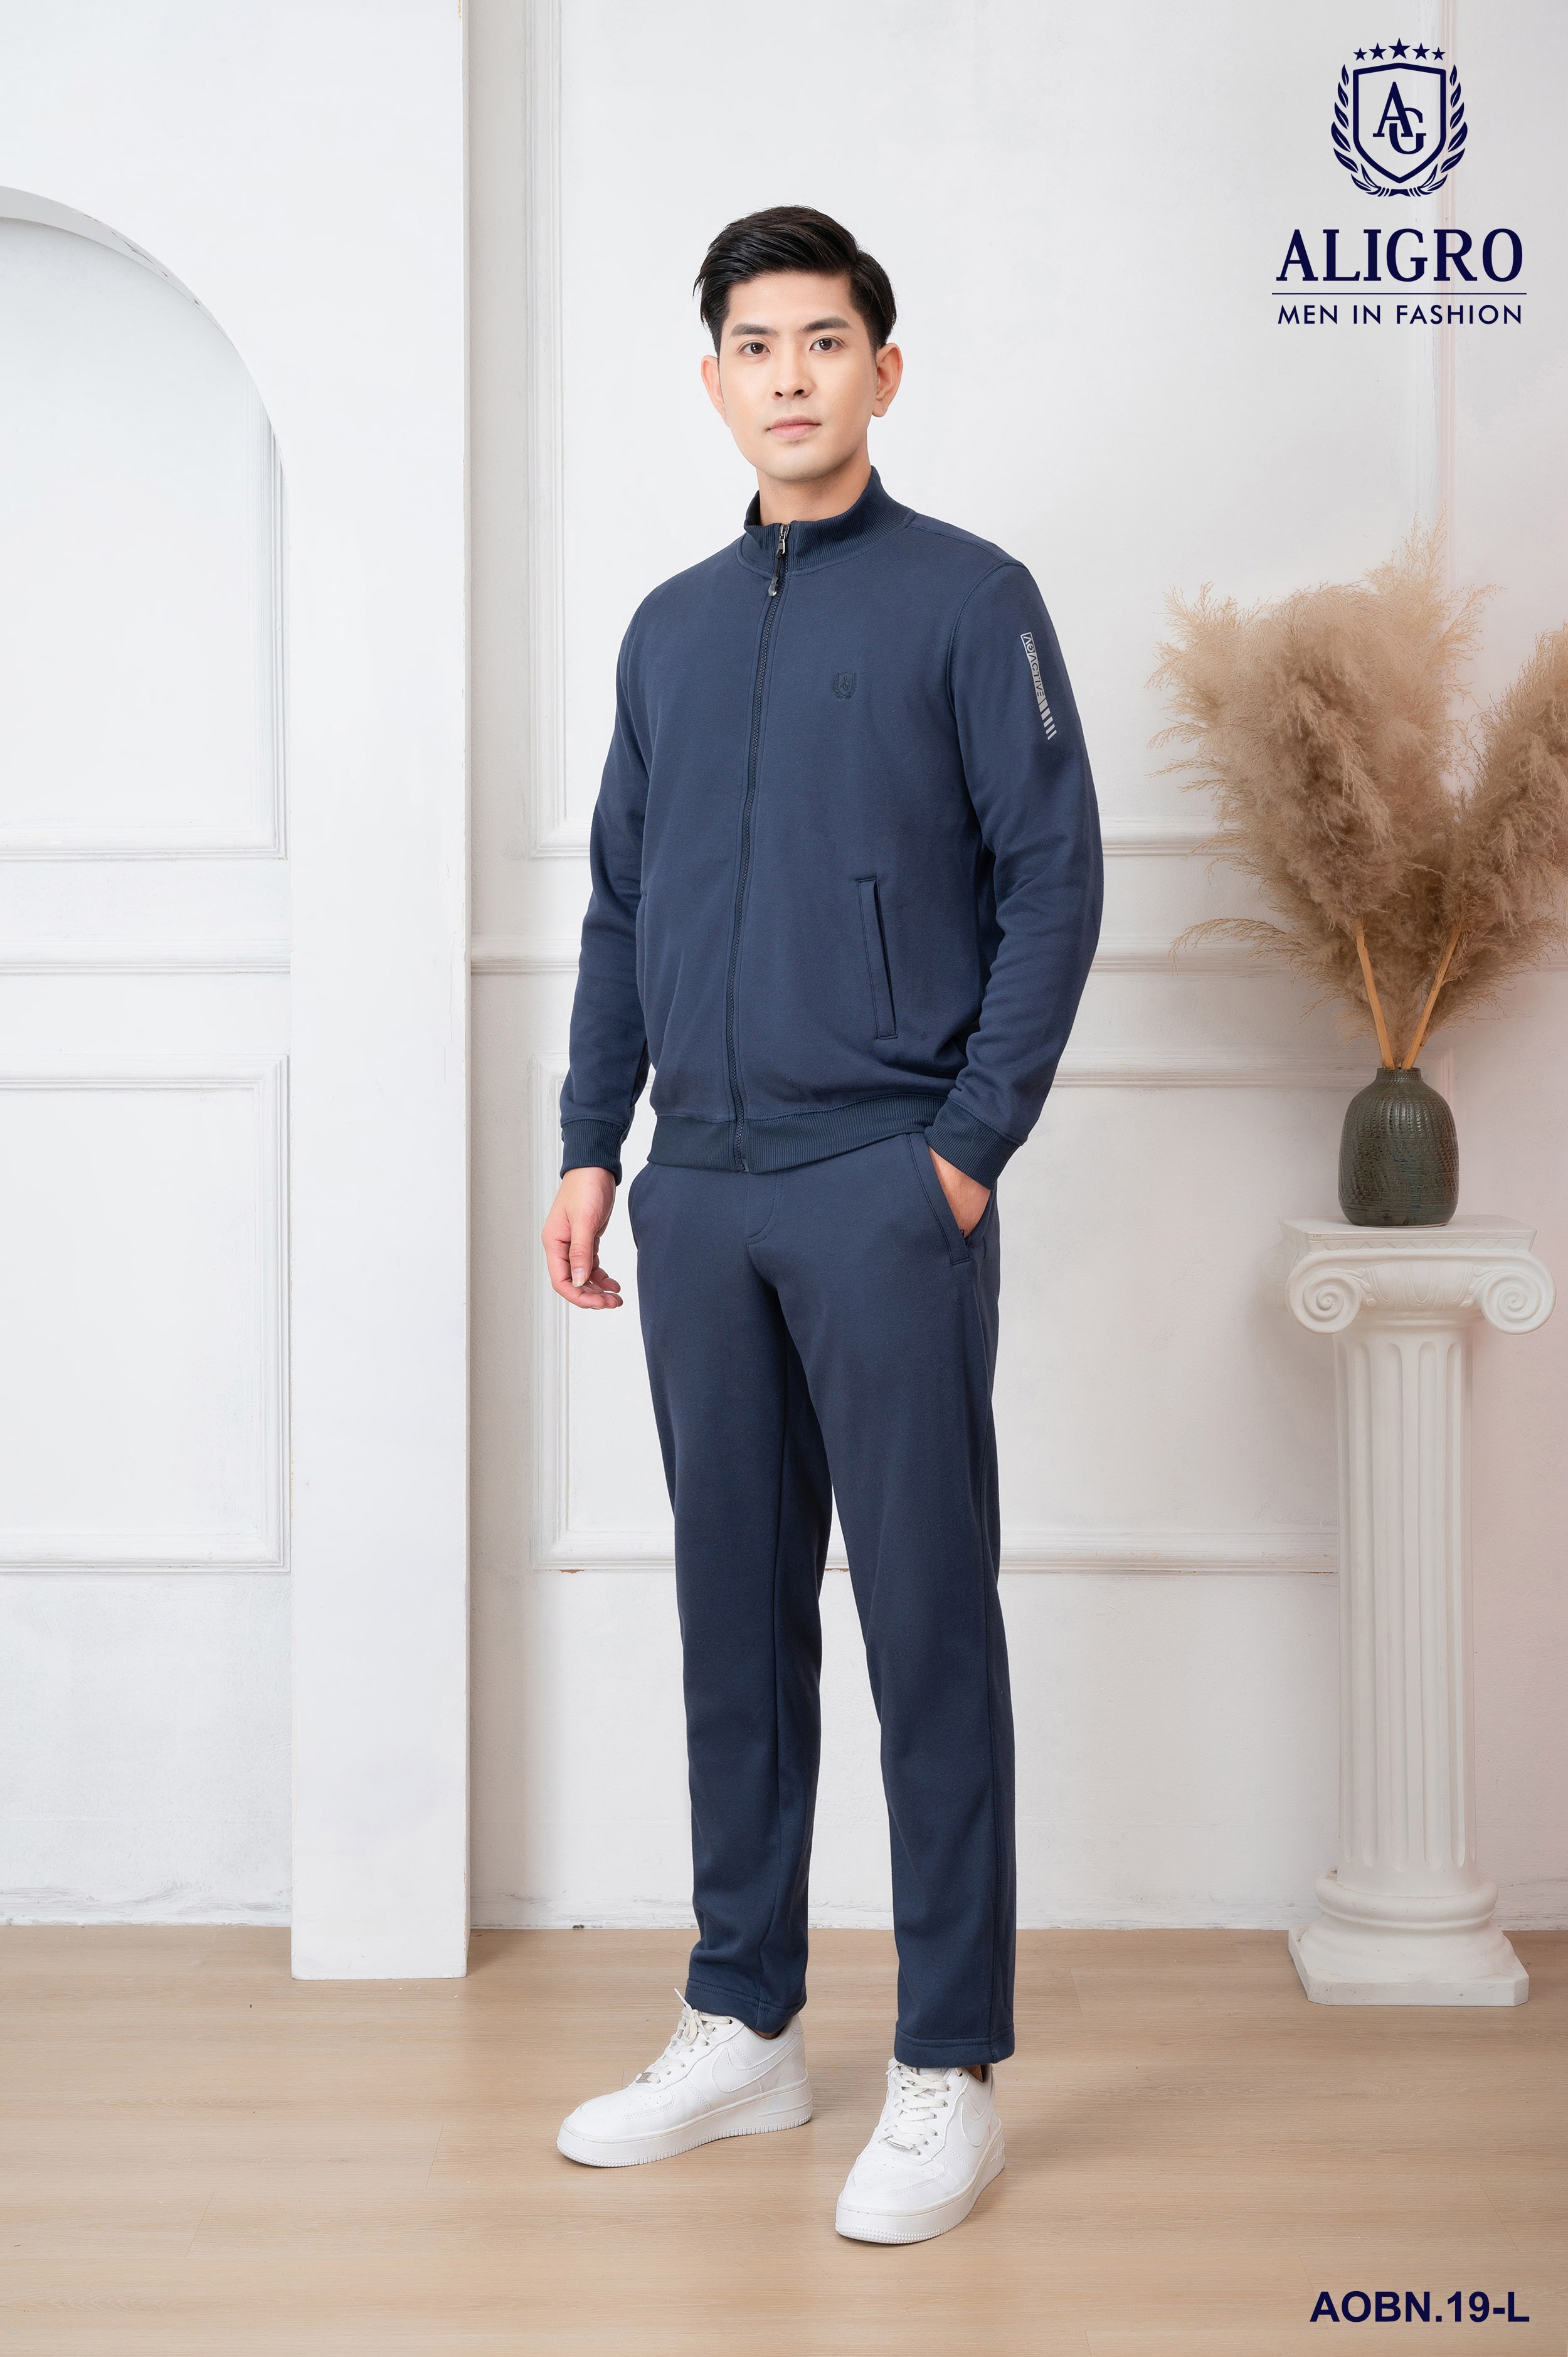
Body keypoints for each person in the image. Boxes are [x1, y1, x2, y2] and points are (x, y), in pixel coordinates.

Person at [542, 205, 1102, 2244]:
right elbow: (621, 903)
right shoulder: (668, 629)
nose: (789, 375)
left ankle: (947, 2061)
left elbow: (1054, 880)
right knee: (731, 1619)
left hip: (884, 1182)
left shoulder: (971, 599)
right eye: (754, 345)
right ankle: (744, 2021)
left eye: (824, 339)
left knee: (924, 1617)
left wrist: (963, 1148)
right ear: (714, 381)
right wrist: (593, 1141)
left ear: (884, 368)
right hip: (698, 1190)